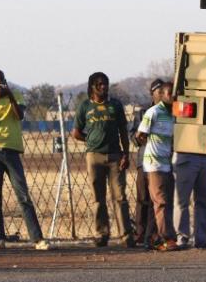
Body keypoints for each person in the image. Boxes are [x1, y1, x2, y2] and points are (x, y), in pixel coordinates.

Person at [0, 69, 49, 250]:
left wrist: (10, 95)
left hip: (12, 151)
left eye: (1, 80)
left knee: (23, 195)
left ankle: (37, 238)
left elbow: (19, 116)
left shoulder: (17, 96)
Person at [72, 72, 135, 248]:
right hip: (94, 157)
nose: (103, 87)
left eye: (105, 84)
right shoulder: (85, 106)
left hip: (115, 156)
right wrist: (91, 140)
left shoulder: (115, 105)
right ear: (92, 87)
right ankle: (102, 234)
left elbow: (123, 131)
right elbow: (76, 133)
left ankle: (126, 236)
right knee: (98, 199)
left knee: (120, 197)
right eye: (99, 84)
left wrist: (126, 154)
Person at [135, 79, 178, 251]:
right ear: (161, 96)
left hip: (167, 163)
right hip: (153, 164)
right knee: (160, 201)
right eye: (169, 94)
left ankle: (156, 238)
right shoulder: (153, 112)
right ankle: (165, 239)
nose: (172, 96)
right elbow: (140, 135)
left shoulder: (173, 114)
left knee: (166, 202)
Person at [129, 87, 157, 248]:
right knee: (143, 197)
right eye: (158, 92)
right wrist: (142, 139)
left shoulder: (169, 111)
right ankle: (140, 231)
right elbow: (133, 135)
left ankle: (154, 232)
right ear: (152, 94)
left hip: (161, 160)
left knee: (158, 199)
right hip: (144, 159)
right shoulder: (142, 112)